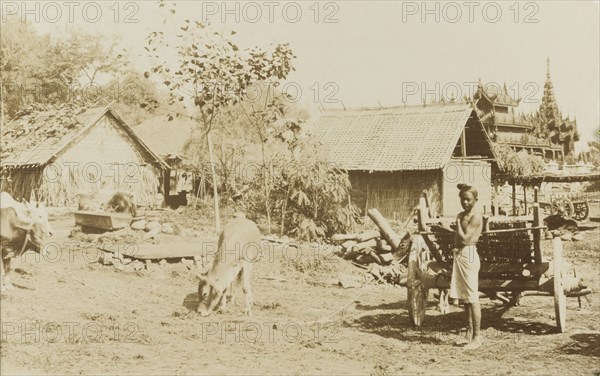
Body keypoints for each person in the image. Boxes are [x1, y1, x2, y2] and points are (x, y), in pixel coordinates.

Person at [450, 184, 483, 350]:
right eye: (462, 199)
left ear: (475, 200)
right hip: (460, 254)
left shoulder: (476, 217)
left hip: (469, 253)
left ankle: (477, 338)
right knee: (466, 298)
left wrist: (456, 223)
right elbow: (458, 239)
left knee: (473, 297)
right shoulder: (462, 215)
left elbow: (464, 240)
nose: (465, 202)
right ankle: (469, 334)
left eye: (468, 199)